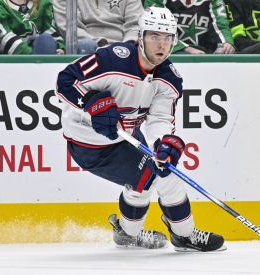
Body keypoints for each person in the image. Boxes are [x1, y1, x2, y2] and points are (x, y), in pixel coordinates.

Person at [55, 7, 226, 252]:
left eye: (167, 38)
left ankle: (173, 235)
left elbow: (158, 120)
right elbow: (66, 80)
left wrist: (163, 143)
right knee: (147, 176)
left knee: (165, 170)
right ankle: (134, 233)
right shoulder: (112, 59)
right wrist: (90, 102)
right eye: (155, 36)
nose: (161, 44)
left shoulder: (169, 78)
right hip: (89, 141)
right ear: (140, 37)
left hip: (126, 135)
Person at [144, 0, 235, 54]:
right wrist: (187, 49)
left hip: (204, 52)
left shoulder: (213, 1)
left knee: (229, 54)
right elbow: (156, 31)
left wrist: (226, 43)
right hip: (169, 52)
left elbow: (221, 25)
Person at [52, 0, 142, 54]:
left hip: (124, 48)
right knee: (86, 45)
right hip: (88, 47)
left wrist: (124, 48)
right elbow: (70, 28)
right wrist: (101, 46)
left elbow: (136, 24)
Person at [0, 0, 65, 54]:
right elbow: (5, 40)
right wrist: (32, 57)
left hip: (41, 57)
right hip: (10, 64)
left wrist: (60, 48)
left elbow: (52, 32)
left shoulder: (43, 3)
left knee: (46, 39)